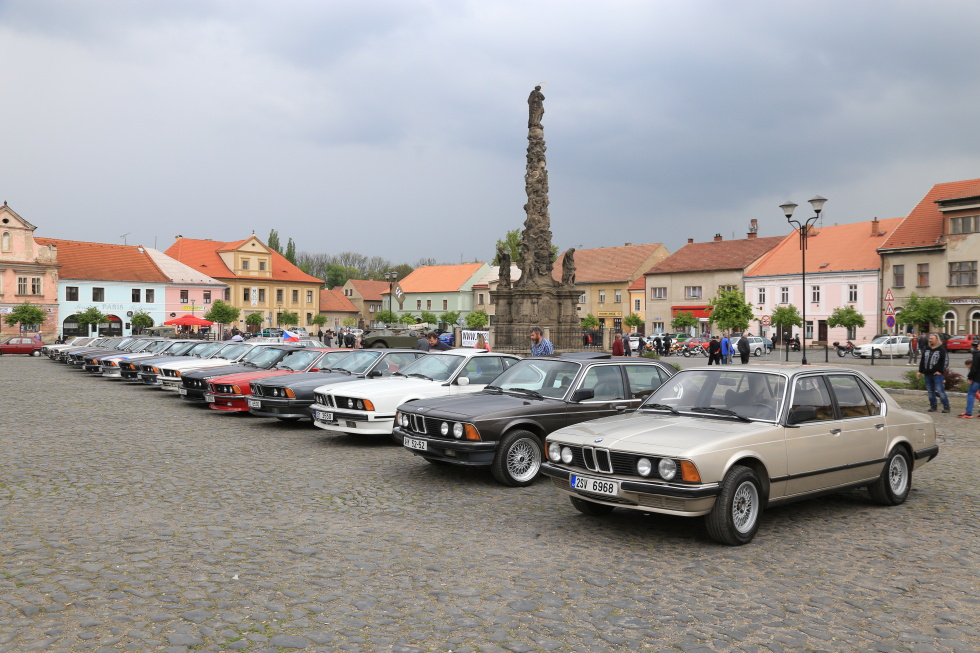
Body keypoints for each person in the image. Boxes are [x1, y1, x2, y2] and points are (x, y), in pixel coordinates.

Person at [917, 333, 950, 413]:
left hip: (937, 375)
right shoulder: (927, 349)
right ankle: (933, 406)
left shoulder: (941, 349)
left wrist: (941, 371)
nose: (930, 340)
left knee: (940, 390)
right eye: (929, 339)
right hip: (927, 374)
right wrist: (920, 371)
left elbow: (945, 361)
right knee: (930, 391)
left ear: (937, 340)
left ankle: (946, 406)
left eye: (932, 339)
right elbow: (922, 360)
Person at [959, 342, 980, 418]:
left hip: (977, 378)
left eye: (978, 345)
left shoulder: (977, 355)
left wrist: (970, 377)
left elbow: (974, 368)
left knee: (971, 393)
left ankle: (969, 413)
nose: (977, 346)